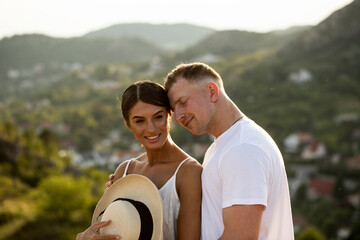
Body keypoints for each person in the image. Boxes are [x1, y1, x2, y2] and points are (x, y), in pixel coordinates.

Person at [164, 62, 294, 240]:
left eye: (183, 102)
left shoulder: (243, 148)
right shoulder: (224, 145)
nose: (178, 117)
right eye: (174, 110)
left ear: (212, 91)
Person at [77, 80, 202, 240]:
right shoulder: (124, 171)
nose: (151, 128)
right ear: (127, 123)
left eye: (158, 117)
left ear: (169, 114)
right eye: (139, 121)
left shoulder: (188, 173)